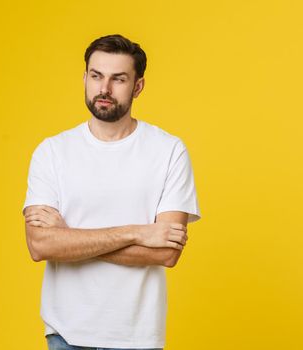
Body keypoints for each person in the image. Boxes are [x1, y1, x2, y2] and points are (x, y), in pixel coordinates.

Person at [22, 34, 201, 350]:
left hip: (137, 337)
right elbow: (40, 245)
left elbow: (166, 253)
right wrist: (137, 232)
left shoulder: (169, 151)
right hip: (67, 335)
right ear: (85, 78)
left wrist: (69, 238)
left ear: (138, 86)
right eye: (96, 76)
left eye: (118, 79)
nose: (104, 88)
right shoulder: (52, 152)